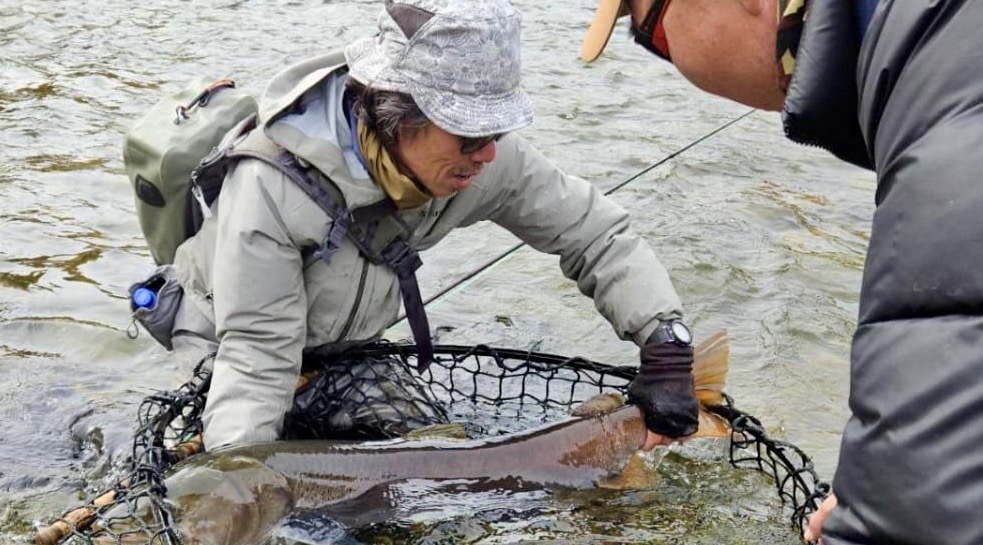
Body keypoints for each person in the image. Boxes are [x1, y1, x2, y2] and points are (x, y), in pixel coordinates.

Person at [582, 1, 983, 545]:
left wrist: (909, 517)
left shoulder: (974, 106)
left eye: (650, 36)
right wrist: (896, 491)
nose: (671, 65)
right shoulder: (970, 50)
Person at [164, 0, 699, 451]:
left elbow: (593, 233)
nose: (488, 153)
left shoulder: (485, 160)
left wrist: (665, 341)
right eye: (469, 134)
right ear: (396, 113)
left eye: (497, 128)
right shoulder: (269, 189)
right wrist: (240, 489)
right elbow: (258, 359)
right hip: (226, 344)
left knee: (433, 468)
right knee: (262, 501)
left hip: (340, 351)